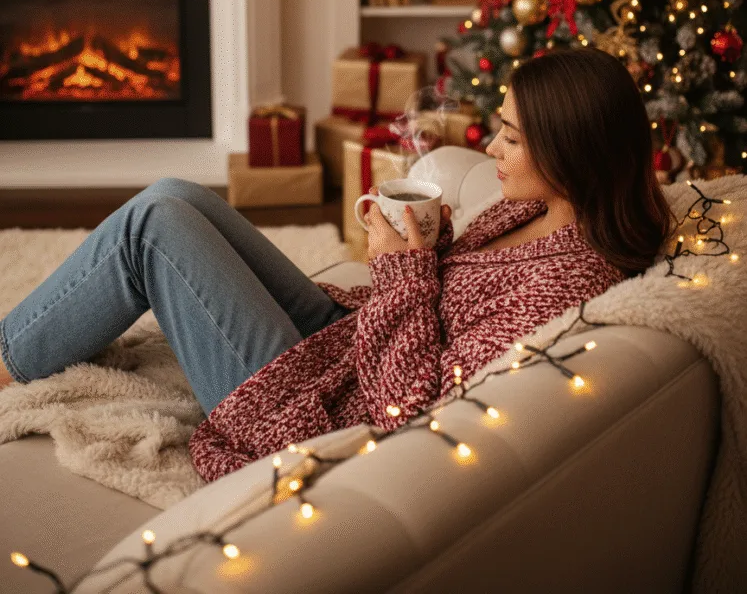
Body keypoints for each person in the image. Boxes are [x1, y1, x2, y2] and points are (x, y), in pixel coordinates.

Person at [0, 48, 678, 484]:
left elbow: (409, 412)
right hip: (343, 342)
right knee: (178, 195)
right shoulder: (534, 210)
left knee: (155, 227)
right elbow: (449, 298)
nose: (490, 146)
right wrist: (428, 244)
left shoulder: (563, 286)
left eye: (510, 136)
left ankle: (6, 360)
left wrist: (403, 268)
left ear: (569, 149)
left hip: (321, 412)